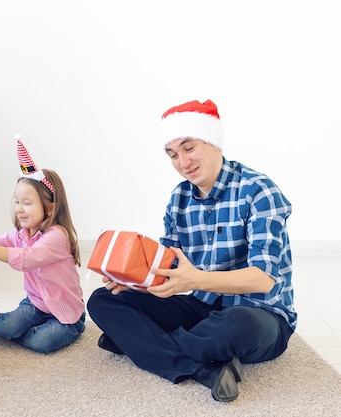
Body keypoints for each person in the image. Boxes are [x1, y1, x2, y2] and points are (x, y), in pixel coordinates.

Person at [87, 99, 296, 402]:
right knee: (103, 300)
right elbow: (168, 273)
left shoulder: (259, 191)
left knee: (233, 326)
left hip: (260, 314)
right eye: (172, 155)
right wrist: (135, 281)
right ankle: (204, 370)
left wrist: (195, 280)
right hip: (200, 307)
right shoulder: (178, 199)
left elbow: (263, 279)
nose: (182, 163)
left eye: (189, 148)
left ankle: (140, 343)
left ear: (213, 142)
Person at [0, 136, 86, 353]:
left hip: (66, 314)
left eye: (27, 203)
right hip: (35, 304)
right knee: (8, 325)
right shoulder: (22, 234)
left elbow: (27, 259)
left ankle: (6, 329)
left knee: (41, 342)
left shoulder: (57, 236)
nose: (19, 209)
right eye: (17, 202)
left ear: (50, 208)